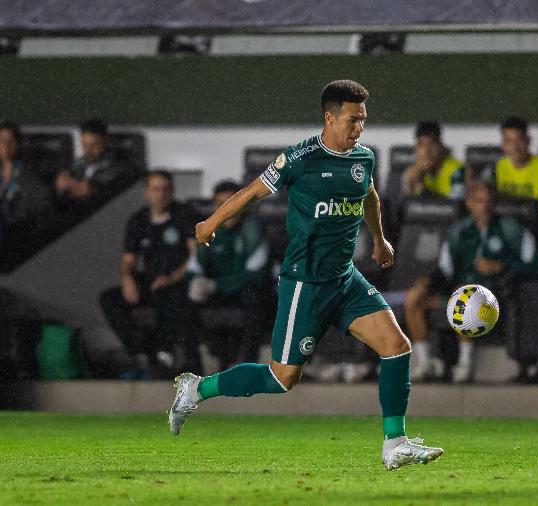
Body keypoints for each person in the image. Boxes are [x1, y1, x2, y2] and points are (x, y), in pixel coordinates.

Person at [167, 80, 444, 471]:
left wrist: (379, 240)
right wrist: (210, 222)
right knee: (283, 378)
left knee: (397, 346)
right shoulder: (300, 158)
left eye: (363, 120)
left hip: (345, 280)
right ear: (329, 118)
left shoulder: (362, 158)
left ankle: (394, 444)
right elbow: (250, 192)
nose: (359, 128)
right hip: (305, 283)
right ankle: (196, 388)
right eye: (352, 120)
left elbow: (369, 195)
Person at [403, 180, 538, 383]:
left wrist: (500, 267)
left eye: (488, 201)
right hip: (459, 291)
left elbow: (535, 265)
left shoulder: (511, 228)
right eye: (478, 201)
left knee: (463, 296)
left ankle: (465, 363)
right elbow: (445, 268)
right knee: (414, 297)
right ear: (469, 203)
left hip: (497, 294)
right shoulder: (459, 230)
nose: (484, 206)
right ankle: (424, 363)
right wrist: (428, 281)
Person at [100, 170, 197, 379]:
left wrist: (171, 277)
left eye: (165, 189)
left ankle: (164, 354)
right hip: (150, 278)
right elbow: (128, 261)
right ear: (147, 192)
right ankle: (140, 352)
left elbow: (194, 256)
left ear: (171, 192)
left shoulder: (184, 214)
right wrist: (127, 279)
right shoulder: (138, 220)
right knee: (110, 298)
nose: (160, 194)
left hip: (177, 279)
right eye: (155, 189)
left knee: (172, 295)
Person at [185, 180, 272, 368]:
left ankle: (248, 365)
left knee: (255, 297)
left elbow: (254, 274)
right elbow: (194, 267)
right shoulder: (208, 229)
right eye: (220, 204)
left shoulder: (254, 229)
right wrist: (196, 282)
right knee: (183, 301)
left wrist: (216, 285)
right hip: (217, 291)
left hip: (244, 291)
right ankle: (192, 366)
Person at [0, 121, 58, 257]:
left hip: (18, 241)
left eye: (11, 141)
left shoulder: (31, 174)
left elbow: (45, 207)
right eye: (2, 141)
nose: (6, 146)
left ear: (18, 143)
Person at [483, 117, 538, 215]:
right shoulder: (494, 168)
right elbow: (482, 205)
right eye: (509, 141)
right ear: (502, 144)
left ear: (528, 141)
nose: (514, 147)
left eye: (519, 141)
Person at [55, 118, 135, 205]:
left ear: (105, 141)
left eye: (94, 145)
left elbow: (88, 189)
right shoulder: (81, 162)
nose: (89, 150)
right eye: (85, 145)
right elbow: (65, 182)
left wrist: (76, 185)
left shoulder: (119, 165)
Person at [401, 121, 467, 200]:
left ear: (441, 147)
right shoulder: (413, 173)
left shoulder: (457, 170)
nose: (426, 152)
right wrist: (409, 188)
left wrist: (422, 188)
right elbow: (406, 209)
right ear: (415, 149)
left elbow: (453, 208)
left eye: (431, 145)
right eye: (421, 145)